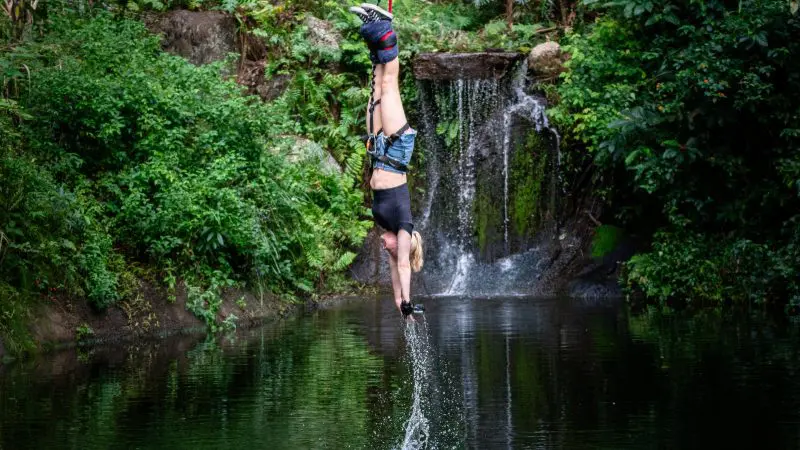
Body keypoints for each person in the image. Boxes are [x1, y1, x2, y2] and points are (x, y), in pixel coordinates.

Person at [350, 3, 424, 316]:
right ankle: (387, 28)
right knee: (391, 85)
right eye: (393, 250)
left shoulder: (384, 227)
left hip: (378, 151)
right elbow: (404, 267)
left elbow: (395, 269)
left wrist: (397, 304)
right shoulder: (403, 227)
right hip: (395, 150)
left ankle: (375, 33)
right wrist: (407, 302)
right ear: (406, 246)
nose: (387, 248)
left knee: (377, 88)